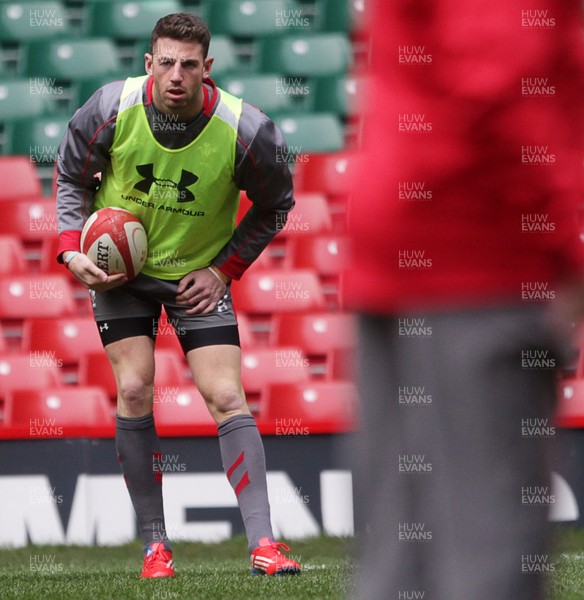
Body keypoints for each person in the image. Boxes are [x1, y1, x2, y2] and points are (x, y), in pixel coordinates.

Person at [345, 0, 584, 598]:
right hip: (477, 243)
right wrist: (566, 240)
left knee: (404, 561)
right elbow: (502, 76)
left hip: (402, 233)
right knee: (488, 555)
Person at [56, 13, 301, 578]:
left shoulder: (248, 131)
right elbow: (71, 175)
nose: (176, 74)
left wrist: (225, 269)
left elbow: (275, 205)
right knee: (136, 386)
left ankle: (265, 543)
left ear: (206, 69)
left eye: (188, 64)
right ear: (148, 64)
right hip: (122, 274)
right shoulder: (111, 108)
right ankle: (155, 547)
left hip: (198, 276)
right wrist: (72, 250)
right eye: (165, 61)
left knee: (224, 395)